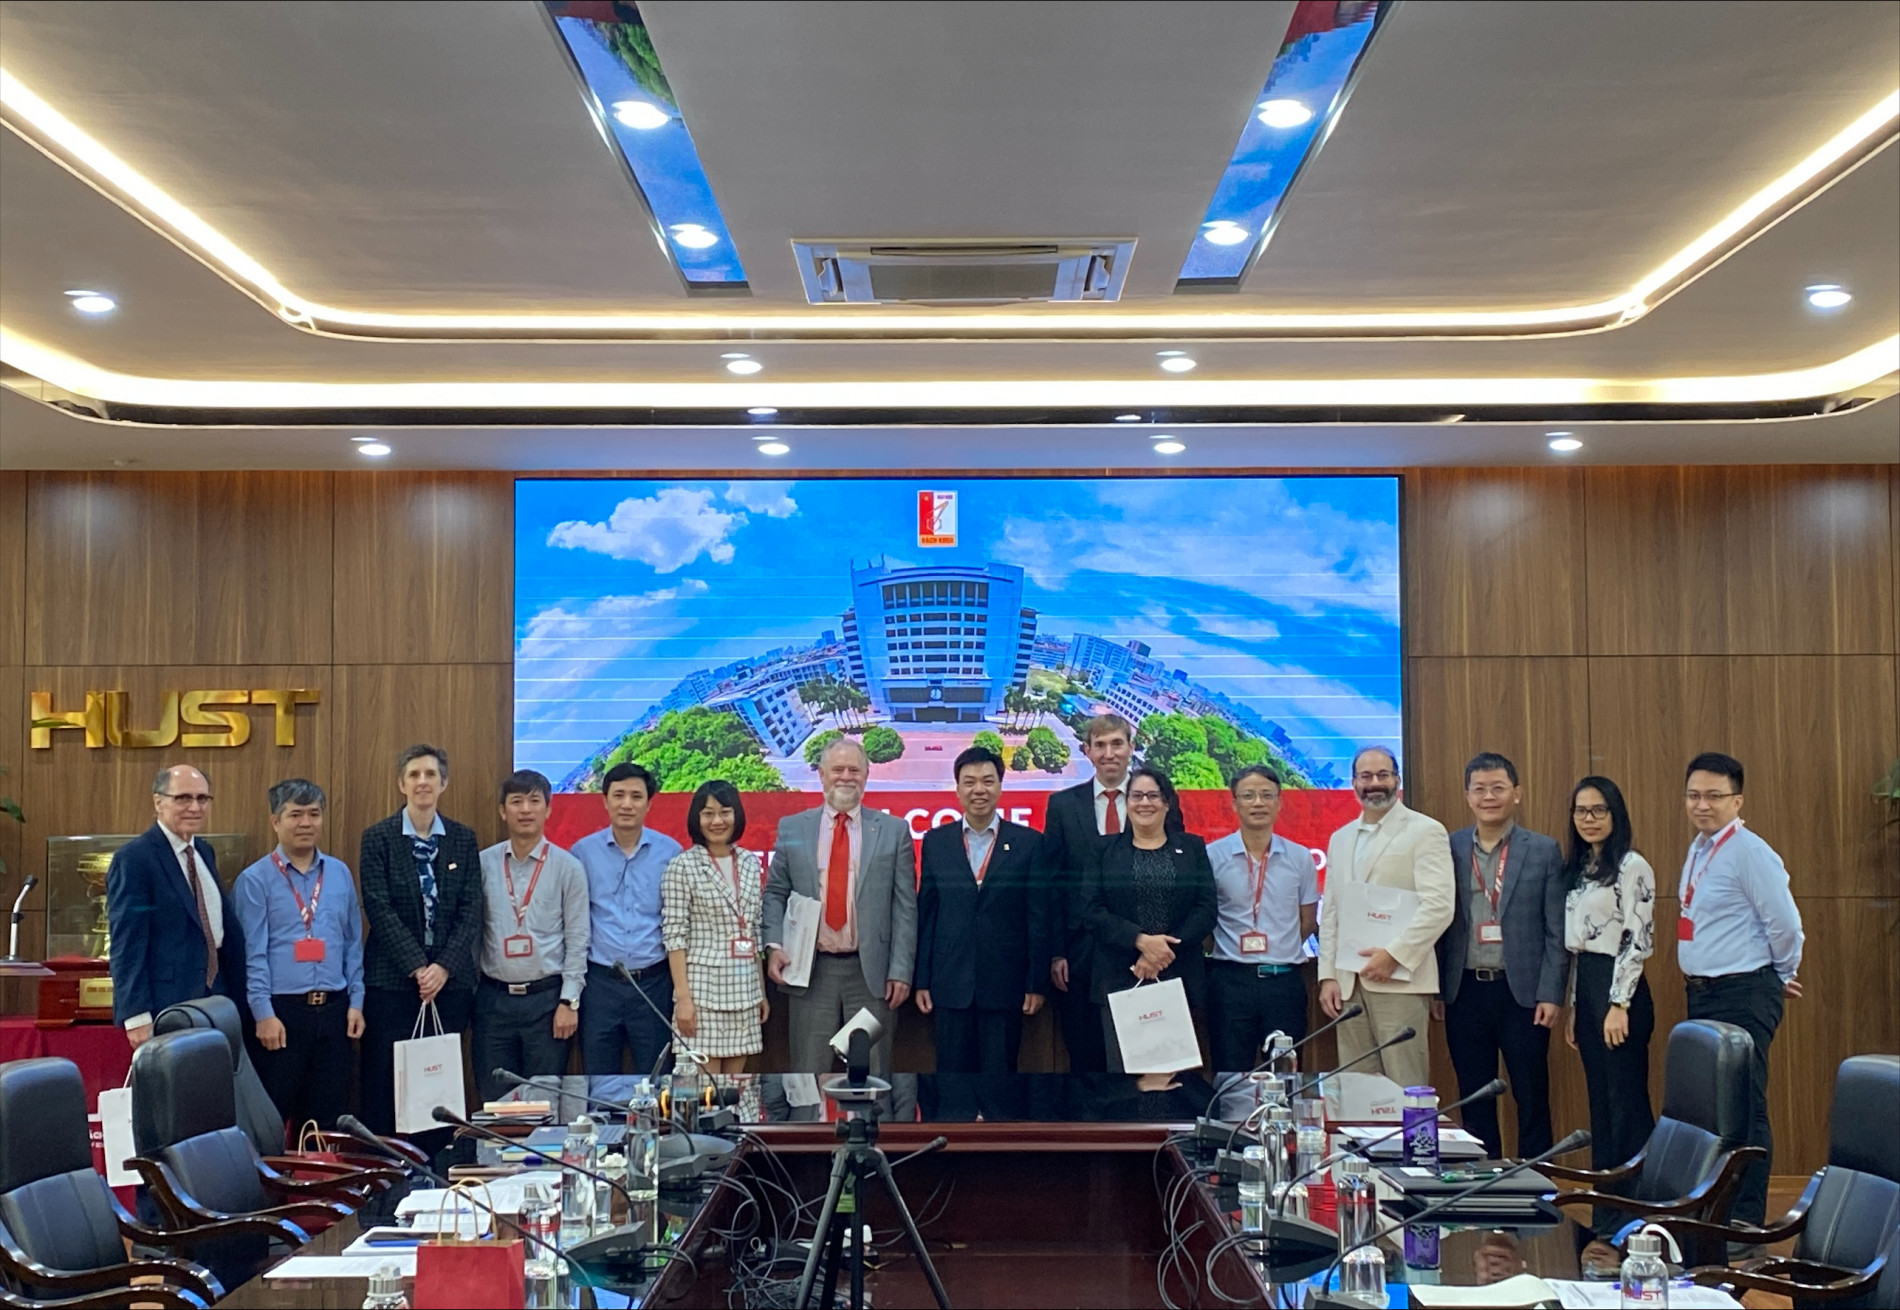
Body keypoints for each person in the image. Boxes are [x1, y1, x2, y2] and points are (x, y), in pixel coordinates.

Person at [1676, 751, 1803, 1227]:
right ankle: (1714, 1209)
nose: (1701, 805)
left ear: (1737, 800)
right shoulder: (1701, 848)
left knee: (1745, 1105)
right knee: (1715, 1106)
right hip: (1705, 993)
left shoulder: (1750, 852)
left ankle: (1745, 1218)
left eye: (1713, 796)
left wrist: (1779, 973)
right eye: (1693, 795)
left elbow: (1786, 924)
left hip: (1742, 993)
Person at [1432, 752, 1567, 1160]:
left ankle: (1539, 1183)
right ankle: (1483, 1184)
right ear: (1467, 796)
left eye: (1498, 788)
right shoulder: (1449, 847)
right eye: (1480, 789)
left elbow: (1556, 929)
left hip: (1522, 992)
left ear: (1517, 794)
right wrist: (1437, 988)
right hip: (1464, 989)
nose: (1489, 796)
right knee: (1474, 1093)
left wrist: (1552, 993)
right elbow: (1438, 920)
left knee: (1531, 1092)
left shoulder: (1543, 850)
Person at [762, 736, 917, 1077]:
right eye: (837, 769)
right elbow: (774, 893)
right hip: (812, 973)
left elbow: (905, 907)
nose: (846, 777)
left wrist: (900, 970)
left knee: (872, 1075)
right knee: (808, 1074)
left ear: (866, 775)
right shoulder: (794, 828)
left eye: (854, 770)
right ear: (821, 774)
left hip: (871, 976)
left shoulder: (893, 831)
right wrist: (774, 946)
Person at [358, 744, 484, 1136]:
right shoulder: (377, 838)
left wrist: (443, 967)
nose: (422, 782)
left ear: (443, 783)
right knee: (387, 1081)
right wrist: (418, 967)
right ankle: (389, 1173)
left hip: (451, 985)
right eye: (414, 775)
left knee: (439, 1082)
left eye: (430, 774)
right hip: (393, 983)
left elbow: (471, 909)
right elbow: (378, 907)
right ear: (401, 784)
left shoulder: (463, 839)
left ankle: (439, 1168)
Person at [1559, 775, 1657, 1272]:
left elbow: (1636, 941)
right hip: (1591, 986)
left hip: (1623, 992)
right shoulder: (1581, 870)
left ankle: (1638, 1214)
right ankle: (1606, 1210)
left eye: (1599, 809)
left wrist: (1618, 1004)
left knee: (1627, 1104)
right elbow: (1578, 948)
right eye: (1581, 810)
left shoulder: (1631, 866)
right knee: (1601, 1105)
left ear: (1616, 814)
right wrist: (1578, 1006)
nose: (1589, 818)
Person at [232, 779, 365, 1134]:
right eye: (295, 814)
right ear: (276, 821)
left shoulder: (339, 873)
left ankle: (321, 1190)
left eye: (314, 814)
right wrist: (263, 1014)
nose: (306, 823)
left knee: (327, 1121)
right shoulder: (254, 880)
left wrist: (357, 1001)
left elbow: (352, 942)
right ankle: (271, 1191)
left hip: (335, 1011)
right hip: (282, 1015)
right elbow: (253, 954)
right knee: (271, 1121)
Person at [1317, 746, 1453, 1090]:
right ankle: (1361, 1149)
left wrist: (1393, 955)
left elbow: (1439, 906)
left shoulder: (1426, 831)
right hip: (1348, 985)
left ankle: (1408, 1147)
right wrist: (1328, 976)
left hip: (1401, 980)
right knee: (1357, 1089)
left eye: (1383, 775)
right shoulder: (1340, 837)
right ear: (1354, 783)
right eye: (1366, 776)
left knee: (1404, 1085)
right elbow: (1331, 911)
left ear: (1397, 780)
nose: (1374, 783)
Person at [914, 746, 1051, 1074]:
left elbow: (1038, 916)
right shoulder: (937, 841)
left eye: (988, 781)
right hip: (949, 984)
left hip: (1006, 984)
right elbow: (928, 914)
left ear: (1000, 786)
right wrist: (921, 979)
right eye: (970, 782)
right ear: (957, 788)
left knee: (1001, 1083)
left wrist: (1036, 982)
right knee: (952, 1081)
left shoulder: (1028, 843)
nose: (979, 790)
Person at [106, 764, 250, 1049]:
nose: (194, 807)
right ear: (158, 802)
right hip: (167, 1002)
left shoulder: (204, 852)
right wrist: (135, 1014)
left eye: (202, 798)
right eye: (183, 798)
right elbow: (127, 942)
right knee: (174, 1089)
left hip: (217, 996)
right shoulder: (136, 858)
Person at [1084, 767, 1217, 1072]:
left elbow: (1206, 908)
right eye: (1137, 796)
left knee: (1178, 1081)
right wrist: (1140, 941)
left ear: (1167, 802)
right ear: (1126, 802)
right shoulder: (1104, 850)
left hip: (1179, 976)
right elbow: (1091, 909)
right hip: (1120, 977)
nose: (1145, 803)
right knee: (1125, 1080)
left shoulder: (1192, 848)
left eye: (1153, 795)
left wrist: (1161, 955)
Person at [473, 770, 590, 1104]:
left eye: (534, 801)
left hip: (548, 1002)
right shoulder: (483, 864)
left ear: (548, 809)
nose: (525, 809)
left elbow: (578, 938)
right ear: (502, 811)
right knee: (495, 1101)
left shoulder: (568, 867)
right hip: (493, 1002)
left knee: (544, 1103)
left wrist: (569, 1001)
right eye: (516, 802)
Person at [572, 763, 683, 1086]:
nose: (626, 804)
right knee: (598, 1079)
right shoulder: (582, 853)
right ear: (604, 801)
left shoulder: (670, 853)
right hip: (600, 985)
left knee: (657, 1081)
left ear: (649, 804)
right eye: (618, 795)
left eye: (636, 796)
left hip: (653, 982)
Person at [1204, 765, 1320, 1073]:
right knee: (1229, 1076)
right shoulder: (1212, 856)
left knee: (1285, 1075)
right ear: (1234, 803)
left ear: (1280, 802)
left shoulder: (1300, 858)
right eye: (1249, 795)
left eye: (1267, 795)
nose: (1258, 803)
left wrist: (1277, 949)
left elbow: (1308, 921)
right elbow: (1204, 919)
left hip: (1284, 983)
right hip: (1230, 983)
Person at [1039, 713, 1135, 1072]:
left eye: (1117, 744)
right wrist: (1056, 952)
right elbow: (1053, 884)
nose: (1109, 753)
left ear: (1131, 748)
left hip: (1139, 954)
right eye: (1100, 745)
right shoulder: (1063, 806)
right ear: (1087, 751)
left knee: (1142, 1064)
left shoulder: (1153, 799)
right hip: (1080, 956)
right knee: (1085, 1058)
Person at [662, 781, 768, 1074]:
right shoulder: (682, 866)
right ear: (697, 818)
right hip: (701, 994)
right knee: (704, 1093)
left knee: (736, 1089)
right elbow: (675, 937)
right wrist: (683, 999)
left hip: (744, 990)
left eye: (725, 812)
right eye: (708, 813)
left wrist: (760, 992)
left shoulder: (748, 862)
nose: (717, 821)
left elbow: (754, 929)